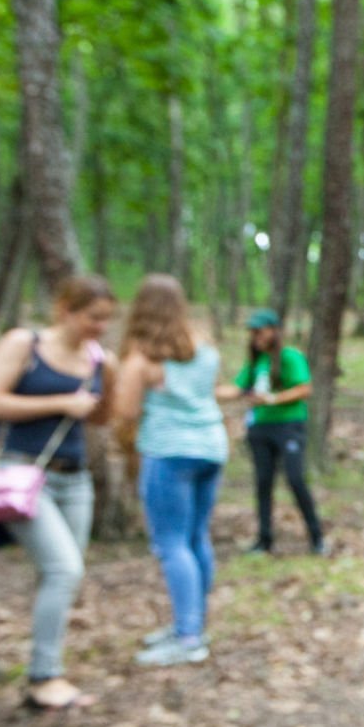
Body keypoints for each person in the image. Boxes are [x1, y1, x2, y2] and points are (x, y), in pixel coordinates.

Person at [0, 274, 118, 712]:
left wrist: (107, 386)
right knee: (64, 569)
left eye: (106, 319)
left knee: (59, 573)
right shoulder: (25, 344)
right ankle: (44, 677)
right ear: (65, 310)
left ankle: (46, 664)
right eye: (93, 317)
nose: (100, 327)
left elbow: (101, 418)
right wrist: (59, 402)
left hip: (74, 479)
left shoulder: (98, 359)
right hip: (20, 473)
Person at [113, 274, 229, 667]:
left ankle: (188, 636)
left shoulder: (143, 359)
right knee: (196, 537)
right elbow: (209, 390)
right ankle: (192, 623)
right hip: (211, 447)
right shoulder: (204, 348)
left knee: (171, 543)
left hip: (169, 451)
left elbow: (125, 410)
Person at [219, 307, 327, 555]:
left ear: (274, 331)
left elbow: (304, 389)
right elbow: (236, 389)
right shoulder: (256, 362)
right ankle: (264, 539)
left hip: (288, 425)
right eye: (253, 331)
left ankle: (317, 537)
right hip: (259, 427)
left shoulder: (290, 356)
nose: (256, 336)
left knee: (295, 479)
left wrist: (272, 399)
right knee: (263, 482)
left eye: (260, 330)